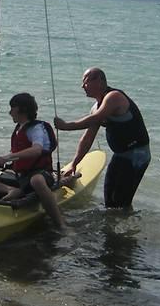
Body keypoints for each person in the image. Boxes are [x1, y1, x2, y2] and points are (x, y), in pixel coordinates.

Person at [0, 92, 65, 231]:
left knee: (36, 181)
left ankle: (60, 224)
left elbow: (37, 150)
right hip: (21, 177)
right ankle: (12, 190)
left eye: (12, 108)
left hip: (41, 174)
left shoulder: (36, 128)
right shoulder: (19, 128)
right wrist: (4, 161)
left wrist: (7, 157)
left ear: (22, 109)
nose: (10, 112)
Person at [55, 67, 151, 208]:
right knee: (109, 200)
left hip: (137, 155)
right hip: (120, 155)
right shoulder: (96, 107)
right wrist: (75, 163)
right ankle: (113, 227)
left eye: (86, 82)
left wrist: (65, 126)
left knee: (120, 201)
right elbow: (88, 138)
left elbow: (95, 118)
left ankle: (126, 228)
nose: (82, 86)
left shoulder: (114, 97)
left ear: (100, 81)